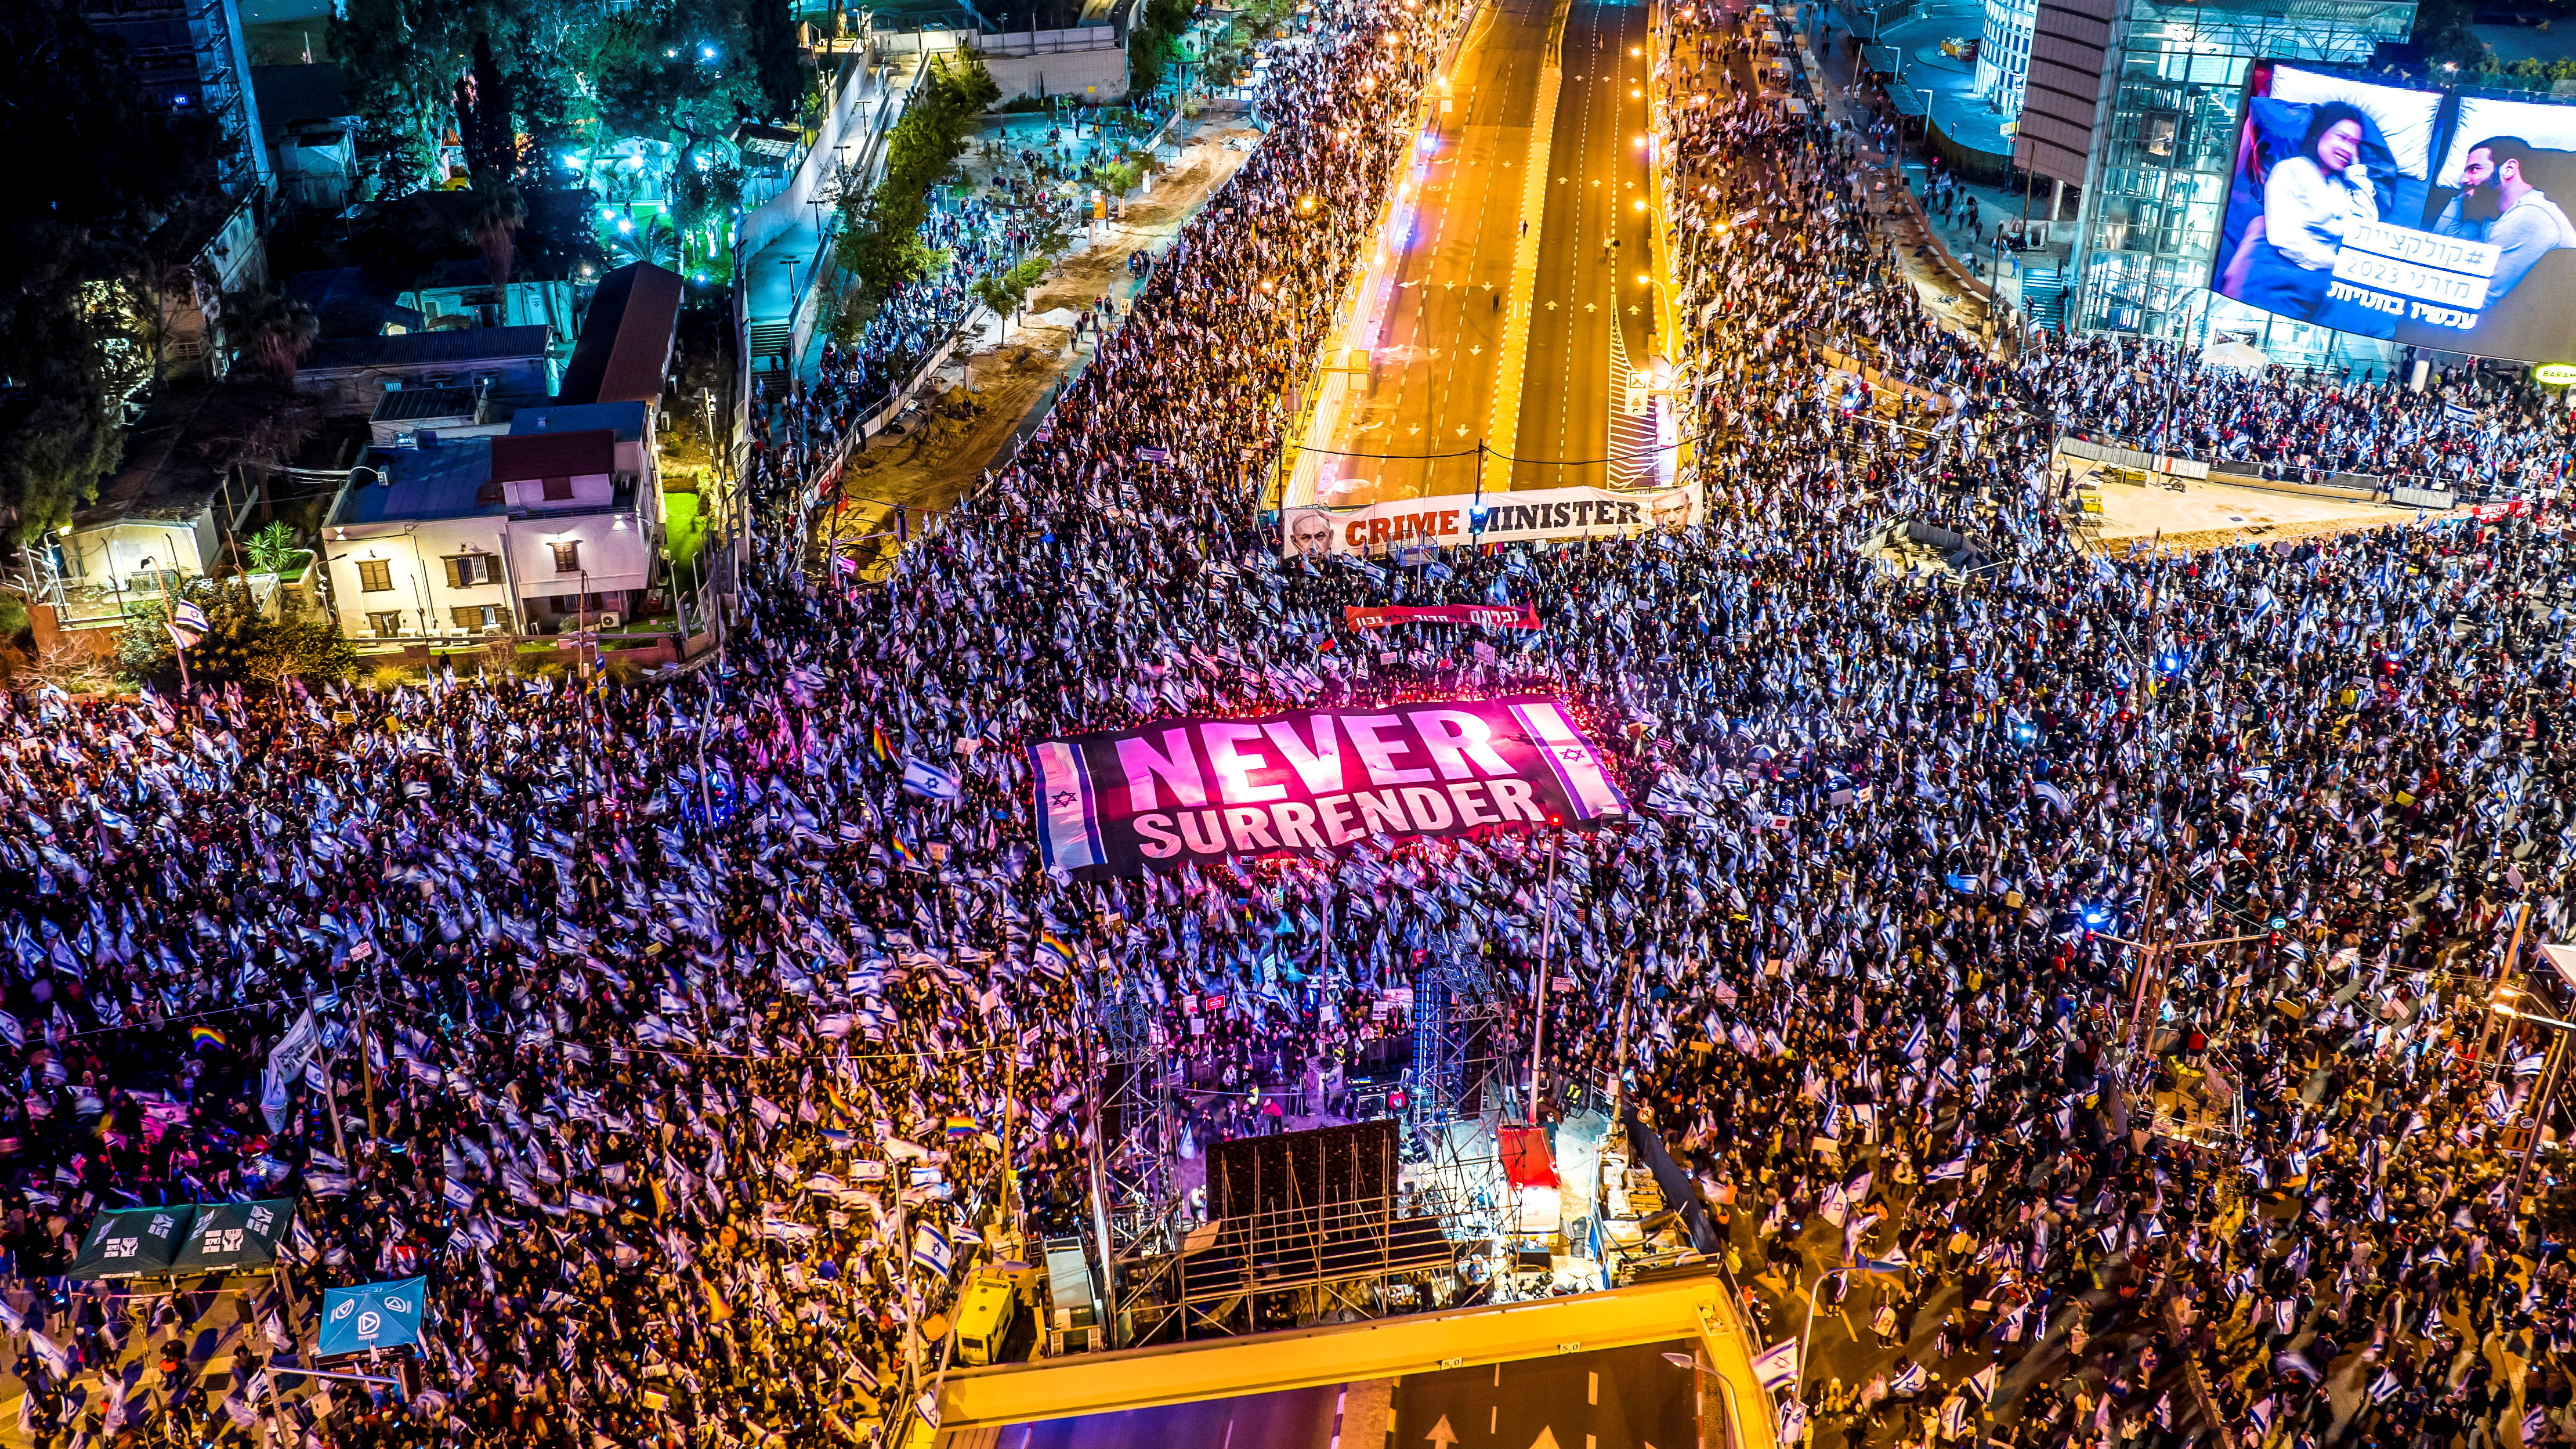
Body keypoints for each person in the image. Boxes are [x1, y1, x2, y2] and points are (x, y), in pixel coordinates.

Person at [2235, 102, 2378, 320]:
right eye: (2342, 138)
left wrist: (2356, 172)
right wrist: (2340, 266)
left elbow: (2367, 227)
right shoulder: (2291, 170)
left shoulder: (2340, 187)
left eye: (2355, 144)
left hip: (2322, 281)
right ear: (2320, 134)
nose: (2348, 150)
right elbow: (2285, 240)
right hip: (2283, 273)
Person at [2432, 135, 2576, 306]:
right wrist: (2461, 197)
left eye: (2475, 169)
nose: (2463, 179)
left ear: (2508, 169)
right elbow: (2439, 252)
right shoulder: (2491, 212)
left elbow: (2482, 297)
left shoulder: (2530, 215)